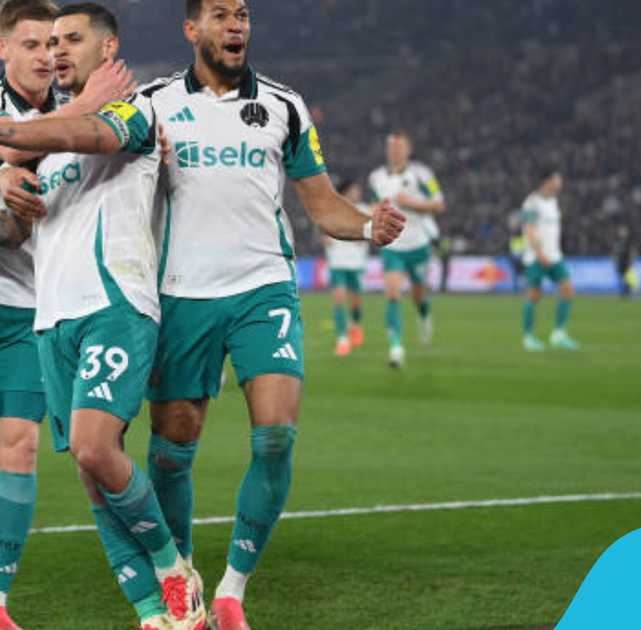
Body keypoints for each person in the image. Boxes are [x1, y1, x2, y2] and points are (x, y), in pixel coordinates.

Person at [0, 4, 206, 629]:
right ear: (3, 48)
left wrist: (19, 141)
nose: (47, 54)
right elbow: (14, 208)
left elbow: (82, 134)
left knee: (56, 449)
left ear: (107, 50)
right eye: (37, 42)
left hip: (84, 305)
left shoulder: (122, 112)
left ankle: (4, 605)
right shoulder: (2, 115)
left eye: (63, 41)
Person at [137, 2, 403, 627]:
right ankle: (179, 573)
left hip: (264, 289)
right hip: (181, 292)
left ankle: (231, 589)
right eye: (222, 15)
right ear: (191, 29)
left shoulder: (285, 105)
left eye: (244, 15)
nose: (236, 26)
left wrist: (368, 226)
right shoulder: (151, 103)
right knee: (173, 447)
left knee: (277, 435)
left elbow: (322, 203)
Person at [368, 130, 446, 368]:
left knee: (418, 294)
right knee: (392, 292)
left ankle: (424, 315)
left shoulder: (423, 174)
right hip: (393, 245)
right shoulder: (376, 177)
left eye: (399, 148)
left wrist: (411, 203)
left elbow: (439, 204)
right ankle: (396, 348)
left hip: (418, 244)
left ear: (408, 150)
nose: (394, 151)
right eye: (391, 147)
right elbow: (374, 206)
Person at [520, 170, 580, 351]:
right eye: (556, 179)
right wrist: (539, 253)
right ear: (547, 181)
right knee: (534, 295)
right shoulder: (532, 202)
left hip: (554, 255)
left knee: (568, 290)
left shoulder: (554, 201)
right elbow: (529, 229)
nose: (560, 183)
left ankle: (558, 334)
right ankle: (528, 337)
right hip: (536, 257)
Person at [323, 179, 370, 357]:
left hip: (356, 263)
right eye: (353, 190)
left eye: (358, 190)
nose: (356, 193)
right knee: (339, 299)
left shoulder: (365, 209)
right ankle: (342, 339)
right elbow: (324, 233)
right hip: (337, 263)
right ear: (345, 192)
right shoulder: (333, 210)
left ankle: (355, 325)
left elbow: (371, 233)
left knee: (356, 302)